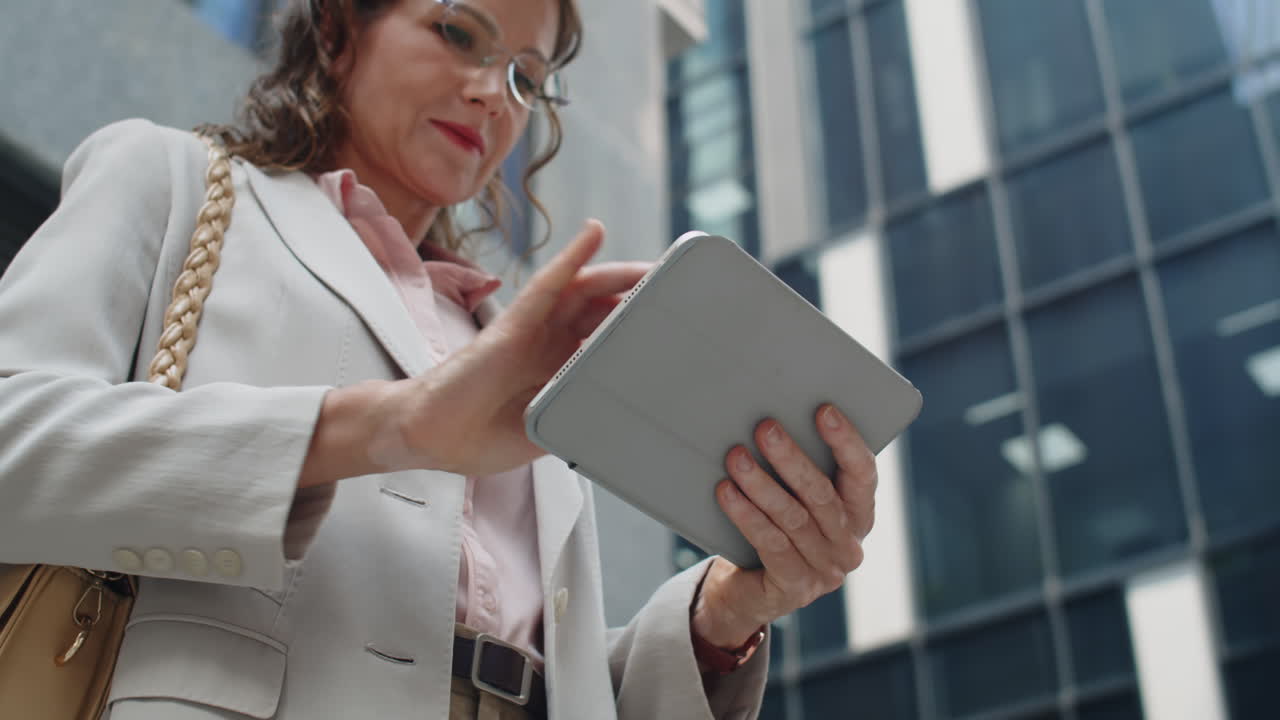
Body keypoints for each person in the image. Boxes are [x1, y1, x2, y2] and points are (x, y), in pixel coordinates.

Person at [0, 0, 879, 718]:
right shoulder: (173, 181)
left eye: (526, 79)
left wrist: (719, 620)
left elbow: (540, 672)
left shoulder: (513, 341)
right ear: (340, 27)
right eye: (459, 33)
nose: (496, 96)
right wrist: (384, 428)